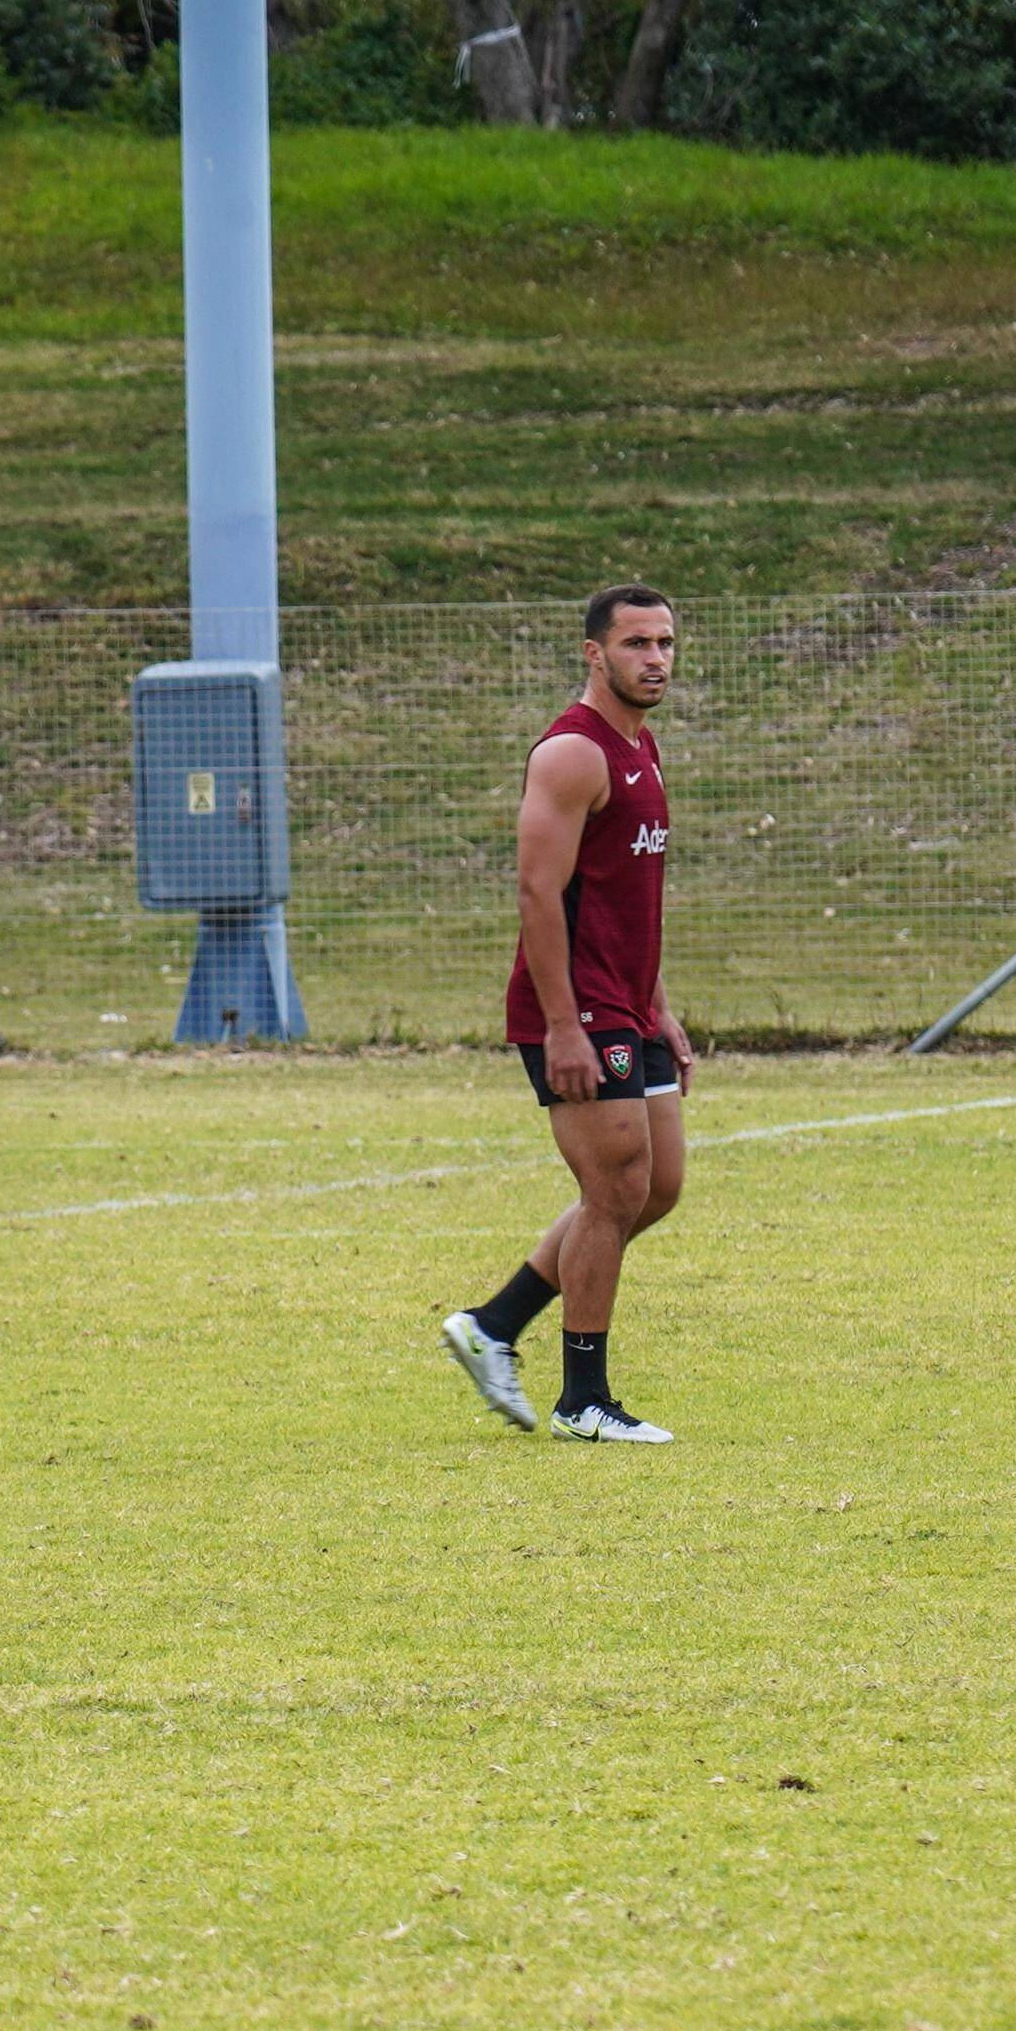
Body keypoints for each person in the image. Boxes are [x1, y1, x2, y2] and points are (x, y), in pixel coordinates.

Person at [438, 584, 694, 1444]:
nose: (654, 659)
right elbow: (537, 894)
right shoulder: (573, 754)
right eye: (636, 644)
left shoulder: (641, 745)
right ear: (594, 653)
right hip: (578, 1009)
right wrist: (562, 1027)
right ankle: (583, 1398)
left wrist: (659, 1006)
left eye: (664, 643)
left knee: (654, 1188)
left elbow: (627, 898)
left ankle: (494, 1324)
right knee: (613, 1190)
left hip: (628, 1003)